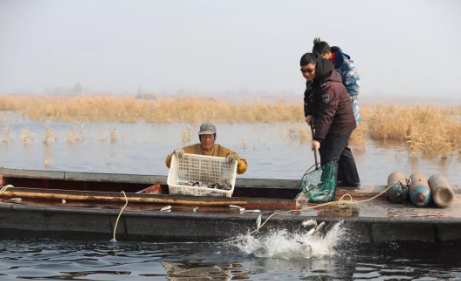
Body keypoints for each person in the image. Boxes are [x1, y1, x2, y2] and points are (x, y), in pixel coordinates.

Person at [300, 53, 360, 192]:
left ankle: (327, 193)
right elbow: (308, 96)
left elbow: (327, 114)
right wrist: (308, 112)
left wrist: (318, 139)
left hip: (341, 124)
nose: (306, 74)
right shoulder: (314, 79)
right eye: (303, 71)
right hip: (332, 123)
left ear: (317, 67)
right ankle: (352, 182)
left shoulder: (329, 85)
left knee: (329, 157)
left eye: (309, 70)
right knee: (342, 151)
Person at [165, 122, 248, 174]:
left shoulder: (222, 151)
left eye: (210, 136)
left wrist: (238, 162)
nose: (207, 140)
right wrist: (174, 154)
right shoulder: (190, 149)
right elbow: (169, 164)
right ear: (200, 137)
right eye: (204, 136)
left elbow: (242, 170)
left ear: (214, 137)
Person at [312, 38, 361, 125]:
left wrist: (337, 105)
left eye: (321, 59)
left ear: (327, 53)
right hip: (328, 115)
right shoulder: (322, 66)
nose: (319, 62)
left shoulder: (346, 65)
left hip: (346, 114)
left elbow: (353, 89)